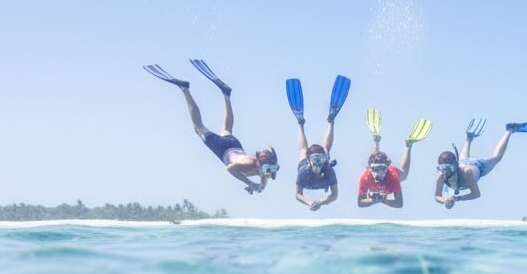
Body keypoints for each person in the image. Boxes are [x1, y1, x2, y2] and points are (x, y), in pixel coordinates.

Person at [144, 59, 279, 194]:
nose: (267, 175)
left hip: (234, 145)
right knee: (198, 128)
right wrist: (250, 183)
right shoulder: (248, 164)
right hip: (223, 149)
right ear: (260, 165)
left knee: (227, 128)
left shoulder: (265, 167)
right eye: (267, 172)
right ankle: (185, 89)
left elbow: (264, 179)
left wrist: (259, 187)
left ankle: (226, 95)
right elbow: (231, 168)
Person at [287, 75, 350, 212]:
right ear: (310, 160)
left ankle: (330, 121)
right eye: (315, 159)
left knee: (320, 148)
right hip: (305, 165)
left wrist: (320, 202)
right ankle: (302, 123)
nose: (317, 162)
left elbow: (334, 195)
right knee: (304, 149)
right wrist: (310, 203)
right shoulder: (304, 172)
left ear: (324, 160)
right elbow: (298, 194)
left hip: (314, 169)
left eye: (320, 159)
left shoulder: (328, 170)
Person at [357, 112, 431, 209]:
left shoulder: (393, 177)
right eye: (375, 169)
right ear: (371, 169)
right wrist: (374, 200)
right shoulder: (365, 177)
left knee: (403, 175)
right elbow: (360, 203)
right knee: (373, 160)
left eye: (382, 169)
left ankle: (408, 146)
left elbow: (399, 203)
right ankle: (376, 141)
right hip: (375, 166)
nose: (379, 172)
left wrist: (382, 199)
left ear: (386, 168)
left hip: (390, 172)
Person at [435, 120, 514, 209]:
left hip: (478, 166)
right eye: (442, 168)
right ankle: (468, 139)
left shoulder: (465, 173)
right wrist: (445, 200)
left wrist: (457, 198)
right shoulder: (441, 176)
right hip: (462, 163)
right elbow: (437, 196)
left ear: (454, 166)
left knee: (496, 157)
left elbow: (476, 194)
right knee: (463, 160)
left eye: (447, 168)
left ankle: (509, 130)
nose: (445, 172)